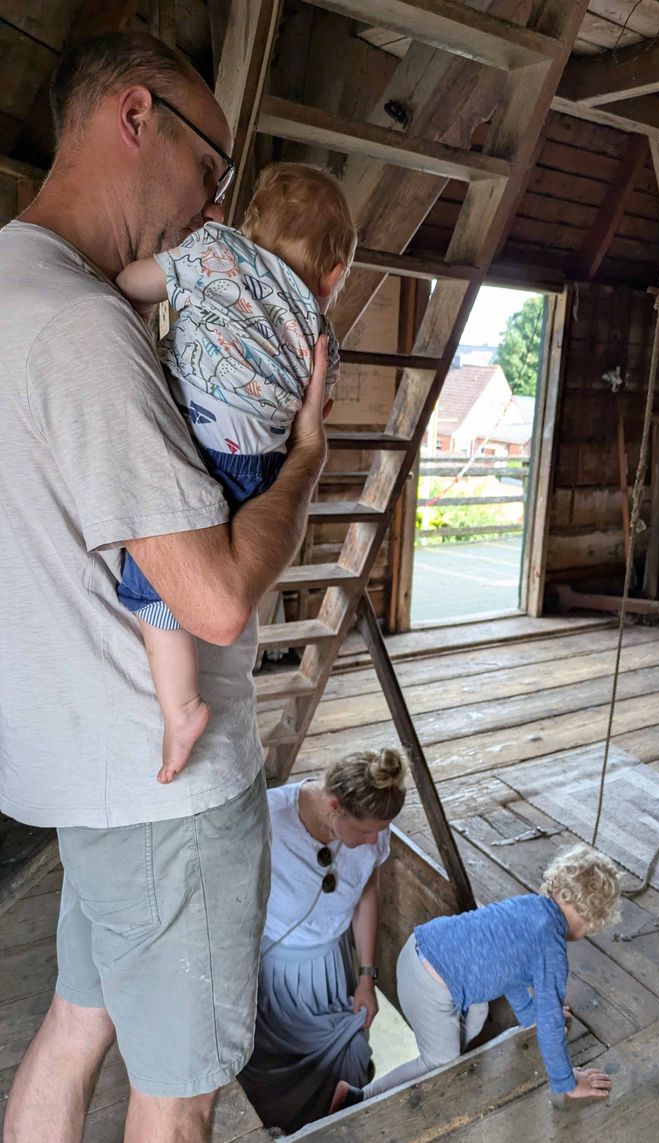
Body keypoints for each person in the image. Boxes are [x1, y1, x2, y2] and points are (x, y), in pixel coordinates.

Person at [1, 32, 329, 1142]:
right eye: (211, 169)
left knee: (75, 1025)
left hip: (80, 778)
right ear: (137, 118)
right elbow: (219, 602)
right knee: (177, 1096)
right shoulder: (86, 330)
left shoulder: (13, 290)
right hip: (166, 794)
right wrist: (305, 465)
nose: (210, 204)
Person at [114, 163, 356, 783]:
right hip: (260, 464)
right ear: (331, 278)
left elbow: (131, 283)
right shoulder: (319, 326)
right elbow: (316, 407)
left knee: (156, 579)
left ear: (246, 228)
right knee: (224, 565)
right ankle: (191, 698)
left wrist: (168, 276)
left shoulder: (214, 252)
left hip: (194, 437)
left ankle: (182, 705)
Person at [332, 844, 620, 1111]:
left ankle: (450, 1057)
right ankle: (359, 1098)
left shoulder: (529, 906)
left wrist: (531, 1016)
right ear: (592, 919)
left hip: (416, 950)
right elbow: (551, 1022)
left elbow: (513, 975)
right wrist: (567, 1083)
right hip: (430, 987)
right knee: (440, 1060)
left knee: (479, 1010)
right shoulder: (553, 949)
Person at [238, 748, 407, 1133]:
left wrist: (367, 978)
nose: (374, 841)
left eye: (381, 830)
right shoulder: (269, 818)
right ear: (334, 806)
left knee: (351, 1061)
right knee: (274, 1082)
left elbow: (367, 893)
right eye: (366, 831)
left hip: (333, 970)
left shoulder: (373, 832)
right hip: (276, 976)